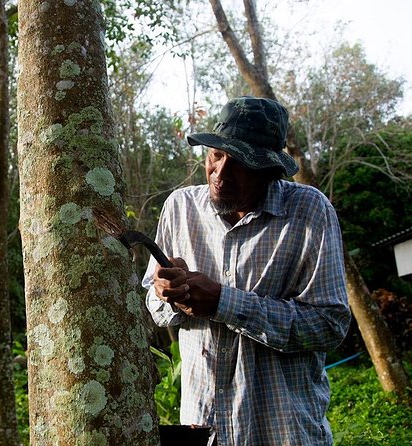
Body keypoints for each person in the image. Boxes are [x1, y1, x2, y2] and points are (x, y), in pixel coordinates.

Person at [142, 96, 351, 445]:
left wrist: (224, 303)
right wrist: (166, 294)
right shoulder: (180, 208)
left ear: (269, 170)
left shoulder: (309, 211)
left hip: (282, 431)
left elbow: (330, 325)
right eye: (216, 155)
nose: (220, 173)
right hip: (204, 429)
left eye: (239, 162)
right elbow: (154, 304)